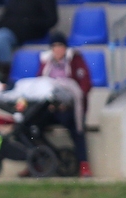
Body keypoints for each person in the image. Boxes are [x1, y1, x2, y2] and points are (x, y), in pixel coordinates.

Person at [37, 31, 93, 177]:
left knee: (76, 129)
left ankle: (84, 164)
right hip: (50, 107)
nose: (57, 50)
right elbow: (39, 84)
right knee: (33, 127)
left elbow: (85, 84)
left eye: (60, 46)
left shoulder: (75, 60)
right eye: (54, 46)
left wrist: (69, 102)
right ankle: (36, 161)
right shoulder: (45, 62)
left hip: (70, 107)